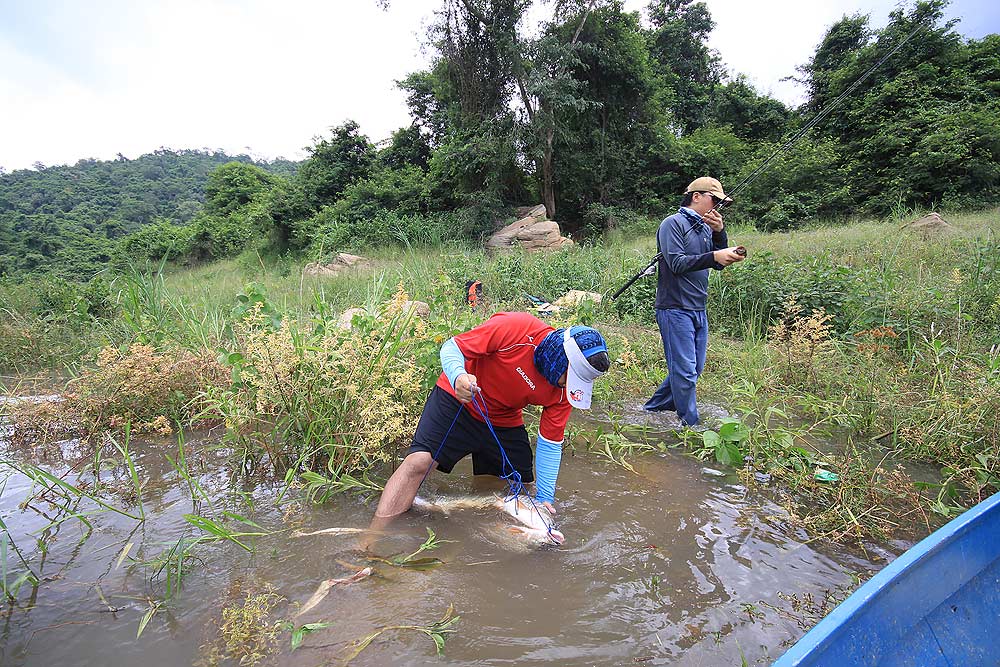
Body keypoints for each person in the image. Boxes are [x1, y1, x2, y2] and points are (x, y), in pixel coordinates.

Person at [368, 311, 610, 530]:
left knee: (520, 488)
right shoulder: (517, 328)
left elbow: (550, 443)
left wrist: (545, 499)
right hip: (459, 400)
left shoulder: (565, 393)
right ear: (559, 357)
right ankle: (373, 538)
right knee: (419, 463)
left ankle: (474, 526)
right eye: (571, 378)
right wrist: (458, 376)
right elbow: (453, 347)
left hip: (504, 419)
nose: (570, 387)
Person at [643, 177, 746, 426]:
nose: (718, 207)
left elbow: (717, 264)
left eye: (721, 204)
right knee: (686, 372)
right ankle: (691, 424)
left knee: (693, 370)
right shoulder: (673, 224)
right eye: (715, 200)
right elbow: (677, 263)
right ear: (696, 196)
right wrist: (714, 255)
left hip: (698, 307)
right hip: (674, 307)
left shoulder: (705, 227)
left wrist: (720, 235)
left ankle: (653, 408)